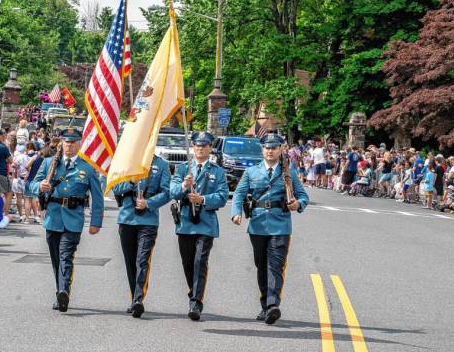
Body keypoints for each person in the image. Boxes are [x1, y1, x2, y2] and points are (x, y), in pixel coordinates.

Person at [231, 133, 309, 325]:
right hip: (257, 225)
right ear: (262, 149)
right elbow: (239, 194)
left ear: (281, 149)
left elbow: (303, 196)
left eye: (274, 148)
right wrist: (236, 212)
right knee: (261, 266)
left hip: (280, 224)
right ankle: (265, 304)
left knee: (275, 266)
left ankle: (273, 305)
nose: (270, 151)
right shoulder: (252, 171)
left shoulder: (287, 171)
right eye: (267, 148)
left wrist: (297, 204)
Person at [30, 128, 104, 313]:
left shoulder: (87, 167)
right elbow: (30, 184)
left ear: (79, 144)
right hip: (53, 218)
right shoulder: (49, 164)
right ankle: (59, 291)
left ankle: (64, 291)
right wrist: (40, 185)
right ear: (61, 144)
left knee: (66, 256)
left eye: (73, 142)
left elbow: (97, 196)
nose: (69, 145)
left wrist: (96, 222)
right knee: (56, 258)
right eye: (66, 142)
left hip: (73, 218)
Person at [169, 132, 229, 321]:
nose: (200, 148)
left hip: (205, 223)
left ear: (210, 148)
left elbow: (222, 197)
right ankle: (193, 293)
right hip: (186, 222)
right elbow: (172, 192)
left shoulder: (217, 171)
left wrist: (203, 199)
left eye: (204, 145)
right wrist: (184, 186)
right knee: (188, 263)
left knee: (199, 262)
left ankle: (196, 302)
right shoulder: (182, 169)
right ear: (192, 147)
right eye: (197, 145)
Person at [112, 155, 171, 318]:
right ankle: (134, 297)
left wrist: (149, 203)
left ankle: (138, 299)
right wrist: (131, 181)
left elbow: (167, 192)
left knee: (142, 259)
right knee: (130, 261)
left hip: (148, 219)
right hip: (127, 218)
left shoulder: (161, 164)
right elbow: (115, 188)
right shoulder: (126, 160)